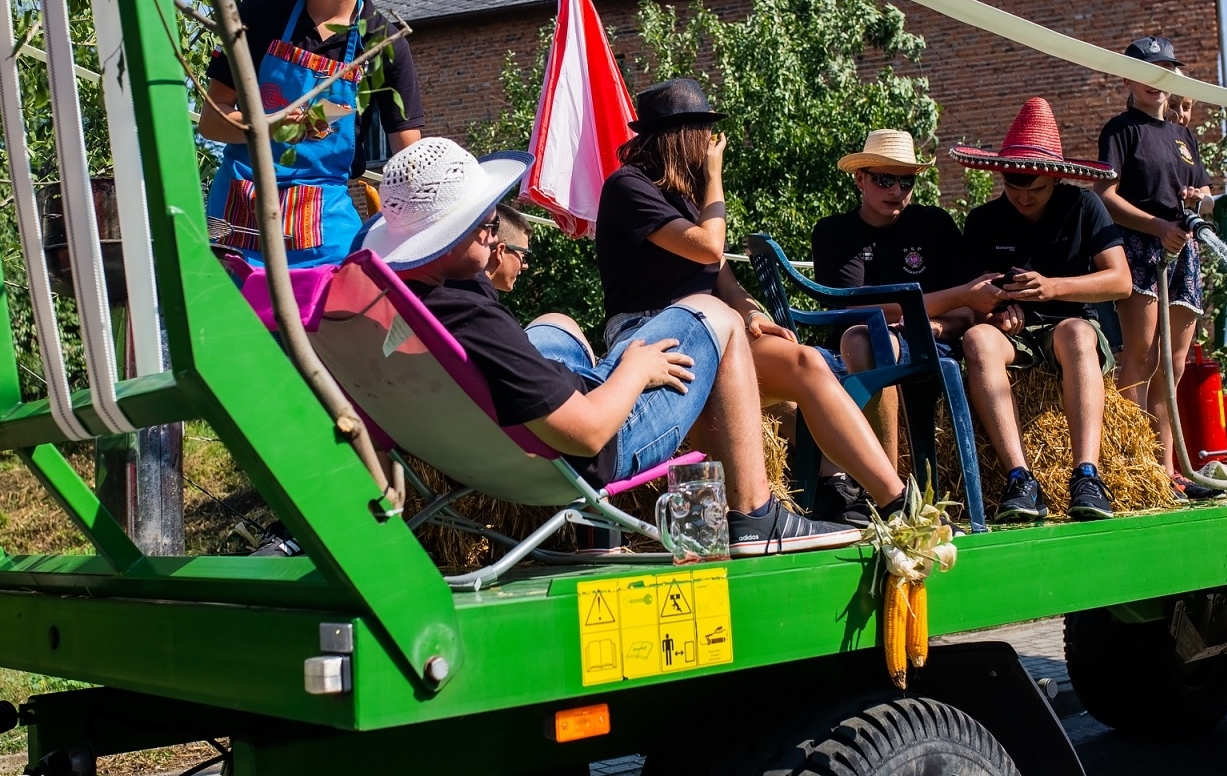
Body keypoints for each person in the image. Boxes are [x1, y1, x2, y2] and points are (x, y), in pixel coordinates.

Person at [358, 137, 859, 556]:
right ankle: (755, 515)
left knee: (557, 322)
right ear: (452, 235)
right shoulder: (473, 317)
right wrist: (636, 370)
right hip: (587, 446)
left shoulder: (403, 304)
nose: (494, 237)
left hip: (486, 447)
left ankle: (598, 530)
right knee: (717, 317)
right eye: (486, 225)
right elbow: (588, 433)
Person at [595, 78, 910, 527]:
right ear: (682, 135)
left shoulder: (688, 198)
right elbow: (708, 246)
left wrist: (752, 313)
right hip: (650, 334)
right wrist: (715, 178)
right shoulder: (628, 187)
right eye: (705, 133)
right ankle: (752, 516)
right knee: (714, 409)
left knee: (805, 362)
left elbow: (723, 276)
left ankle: (896, 504)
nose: (711, 144)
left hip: (715, 330)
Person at [198, 0, 424, 267]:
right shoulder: (261, 11)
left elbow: (410, 157)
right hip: (236, 210)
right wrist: (266, 127)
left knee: (333, 316)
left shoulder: (382, 43)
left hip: (322, 223)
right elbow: (210, 121)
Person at [951, 98, 1132, 522]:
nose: (1023, 198)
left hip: (1069, 326)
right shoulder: (981, 221)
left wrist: (1053, 288)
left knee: (1077, 334)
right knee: (978, 340)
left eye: (1035, 190)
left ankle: (1087, 475)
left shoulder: (1085, 205)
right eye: (1014, 188)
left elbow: (1120, 281)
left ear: (1056, 178)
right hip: (1011, 334)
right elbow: (971, 299)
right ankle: (1020, 479)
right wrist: (994, 315)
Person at [811, 129, 1005, 470]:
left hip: (929, 345)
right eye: (885, 179)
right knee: (847, 345)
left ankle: (884, 490)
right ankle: (842, 483)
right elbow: (858, 309)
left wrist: (936, 322)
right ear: (860, 178)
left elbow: (970, 309)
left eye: (906, 182)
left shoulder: (935, 224)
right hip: (847, 349)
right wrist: (954, 298)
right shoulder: (834, 231)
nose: (896, 191)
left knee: (868, 342)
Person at [1094, 37, 1215, 498]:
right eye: (1146, 71)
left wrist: (1197, 199)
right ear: (1127, 78)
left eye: (1164, 70)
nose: (1155, 81)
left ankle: (1168, 471)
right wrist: (1157, 224)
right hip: (1140, 248)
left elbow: (1204, 192)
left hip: (1183, 251)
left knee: (1175, 364)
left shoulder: (1184, 136)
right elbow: (1105, 196)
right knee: (1141, 357)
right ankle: (1135, 465)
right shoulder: (1120, 130)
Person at [485, 203, 532, 294]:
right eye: (525, 255)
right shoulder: (480, 305)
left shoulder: (452, 284)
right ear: (500, 251)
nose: (525, 266)